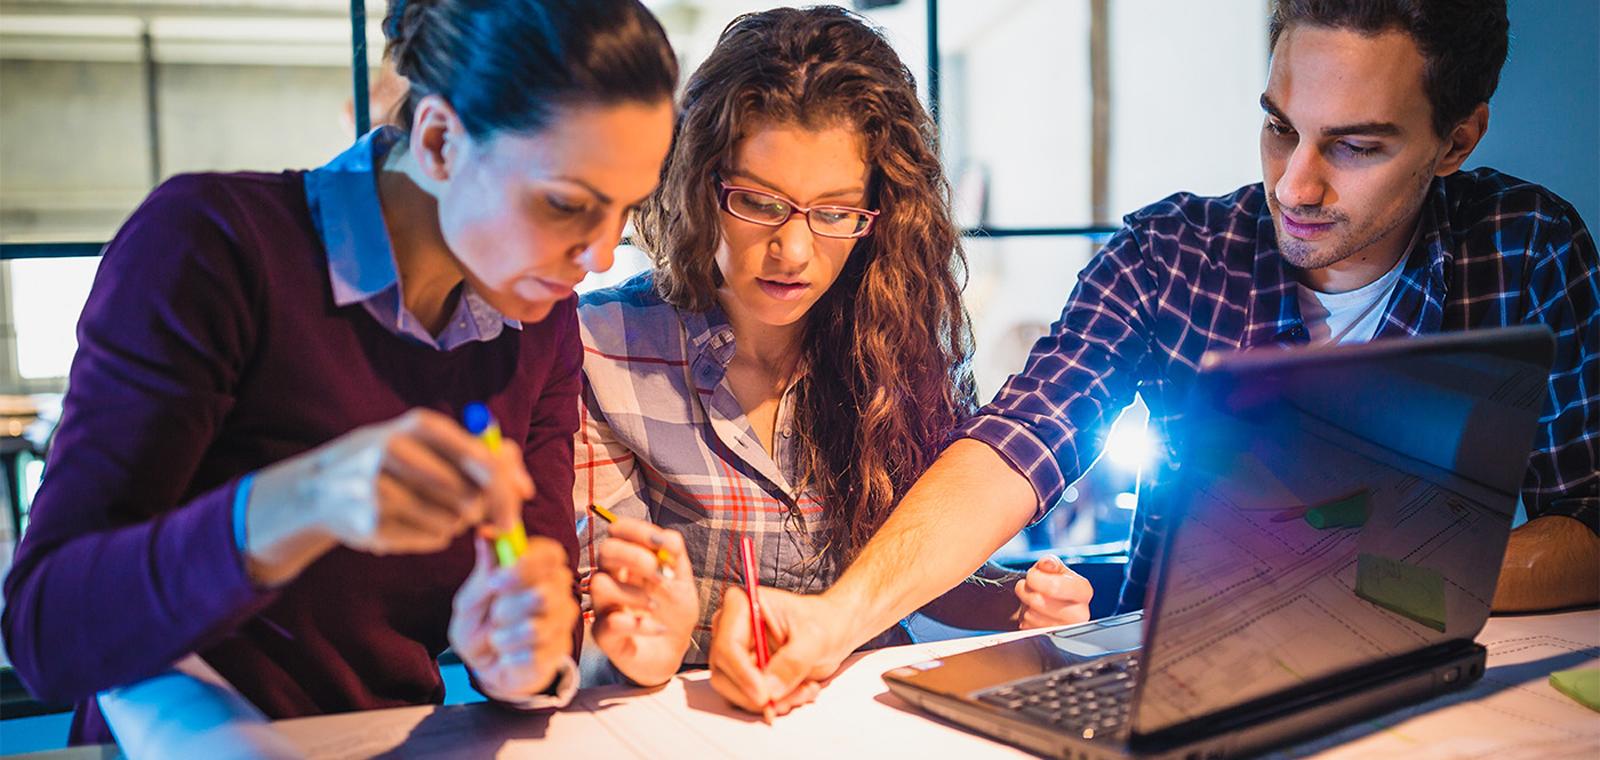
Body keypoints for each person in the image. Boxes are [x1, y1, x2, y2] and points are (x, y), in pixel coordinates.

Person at [704, 0, 1598, 715]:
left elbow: (1588, 529)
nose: (1295, 185)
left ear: (1458, 140)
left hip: (1429, 691)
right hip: (1179, 689)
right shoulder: (1173, 256)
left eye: (1355, 146)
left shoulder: (1525, 248)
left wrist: (1366, 582)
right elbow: (1020, 439)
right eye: (1279, 127)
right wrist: (837, 617)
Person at [0, 0, 676, 744]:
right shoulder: (213, 247)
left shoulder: (539, 322)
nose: (602, 256)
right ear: (440, 141)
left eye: (625, 210)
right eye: (567, 204)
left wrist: (529, 649)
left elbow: (532, 611)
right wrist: (305, 499)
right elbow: (47, 633)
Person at [571, 6, 1094, 698]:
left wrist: (1015, 605)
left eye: (835, 212)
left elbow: (912, 574)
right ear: (700, 184)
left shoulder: (889, 341)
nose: (793, 251)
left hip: (870, 717)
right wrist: (640, 643)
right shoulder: (601, 351)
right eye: (759, 202)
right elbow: (587, 622)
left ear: (878, 213)